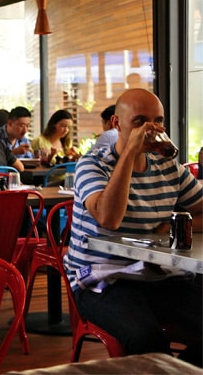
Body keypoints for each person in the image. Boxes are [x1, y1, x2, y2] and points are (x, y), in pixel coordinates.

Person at [64, 89, 202, 366]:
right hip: (102, 279)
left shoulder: (167, 166)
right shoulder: (92, 165)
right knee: (146, 338)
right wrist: (129, 153)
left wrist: (174, 225)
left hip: (160, 275)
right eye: (140, 122)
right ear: (117, 124)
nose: (151, 130)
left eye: (158, 121)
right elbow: (109, 218)